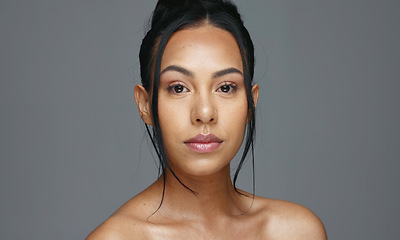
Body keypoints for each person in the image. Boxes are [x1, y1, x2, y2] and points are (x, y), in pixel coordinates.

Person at [87, 0, 327, 239]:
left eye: (225, 87)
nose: (204, 112)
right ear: (145, 105)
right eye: (179, 88)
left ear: (251, 103)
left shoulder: (297, 232)